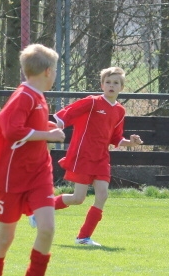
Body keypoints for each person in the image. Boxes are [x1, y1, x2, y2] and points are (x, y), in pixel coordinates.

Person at [0, 44, 66, 276]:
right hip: (10, 180)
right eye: (56, 71)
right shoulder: (23, 96)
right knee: (5, 238)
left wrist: (47, 130)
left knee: (47, 228)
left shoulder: (39, 96)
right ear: (48, 71)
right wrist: (49, 135)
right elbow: (12, 130)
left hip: (39, 173)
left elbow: (29, 131)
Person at [30, 66, 143, 246]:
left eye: (115, 83)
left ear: (122, 87)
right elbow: (65, 115)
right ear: (102, 85)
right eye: (108, 82)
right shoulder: (92, 102)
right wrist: (48, 127)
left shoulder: (120, 111)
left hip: (102, 158)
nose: (111, 85)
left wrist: (131, 142)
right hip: (83, 156)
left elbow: (116, 138)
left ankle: (83, 237)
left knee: (103, 195)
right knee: (78, 198)